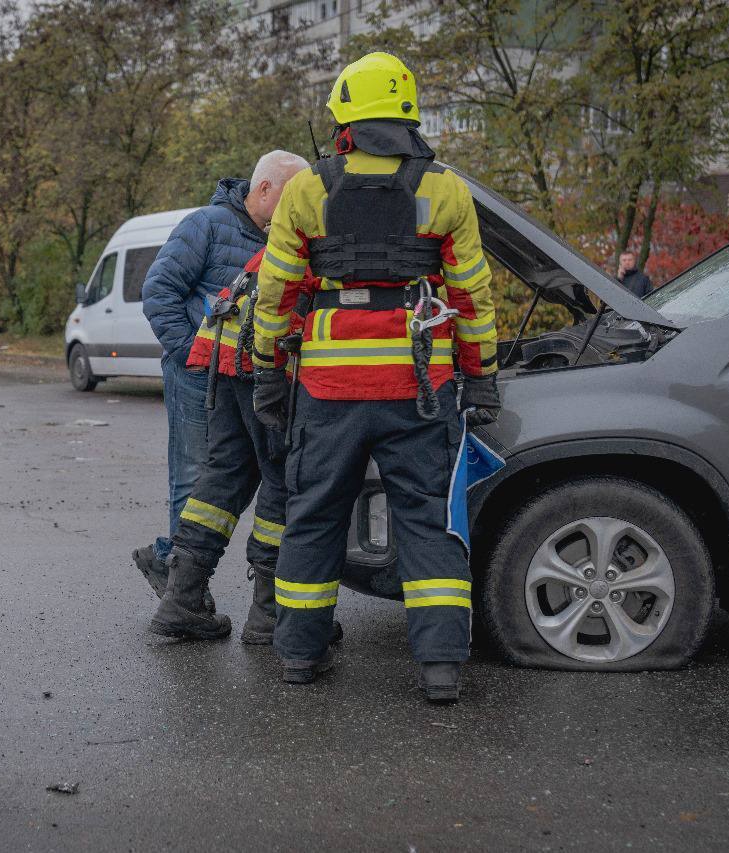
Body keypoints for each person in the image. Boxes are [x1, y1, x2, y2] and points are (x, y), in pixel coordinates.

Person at [250, 53, 501, 702]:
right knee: (428, 522)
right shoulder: (444, 188)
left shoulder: (307, 188)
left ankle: (300, 656)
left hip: (329, 395)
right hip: (419, 392)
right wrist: (481, 378)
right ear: (408, 114)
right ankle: (442, 667)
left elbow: (276, 290)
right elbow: (471, 293)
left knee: (313, 517)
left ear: (345, 117)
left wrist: (267, 373)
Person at [134, 151, 308, 592]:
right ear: (264, 188)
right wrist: (192, 351)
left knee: (231, 477)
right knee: (195, 476)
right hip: (197, 376)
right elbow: (158, 291)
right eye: (291, 195)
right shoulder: (206, 225)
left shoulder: (281, 237)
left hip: (245, 380)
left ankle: (171, 568)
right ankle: (182, 588)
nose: (297, 207)